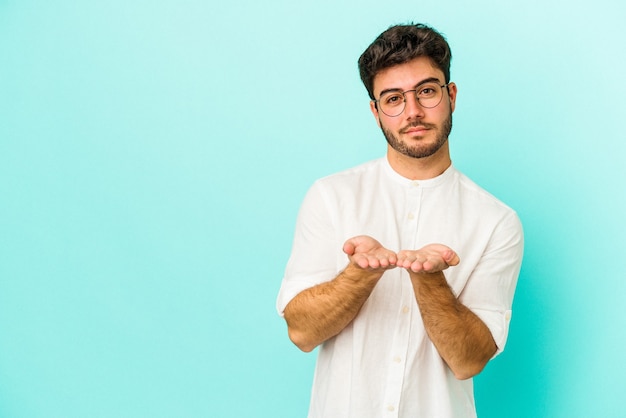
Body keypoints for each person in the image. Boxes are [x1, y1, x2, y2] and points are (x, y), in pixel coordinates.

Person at [276, 23, 523, 418]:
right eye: (393, 99)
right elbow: (302, 332)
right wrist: (359, 274)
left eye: (426, 91)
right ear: (376, 112)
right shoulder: (331, 197)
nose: (413, 112)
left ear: (451, 95)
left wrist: (430, 281)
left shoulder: (496, 221)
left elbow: (469, 360)